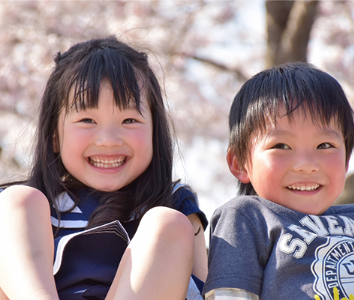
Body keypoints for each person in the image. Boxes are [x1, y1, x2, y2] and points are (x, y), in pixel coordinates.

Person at [0, 36, 208, 300]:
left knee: (167, 223)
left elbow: (204, 292)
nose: (108, 140)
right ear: (54, 135)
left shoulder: (176, 203)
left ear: (155, 131)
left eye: (129, 119)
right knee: (16, 200)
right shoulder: (31, 211)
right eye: (87, 120)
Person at [203, 62, 354, 300]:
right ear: (240, 163)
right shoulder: (247, 216)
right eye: (281, 146)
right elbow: (230, 295)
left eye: (325, 145)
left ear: (346, 160)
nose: (306, 164)